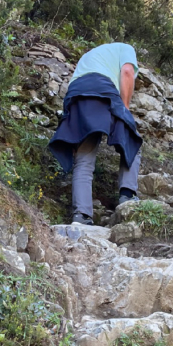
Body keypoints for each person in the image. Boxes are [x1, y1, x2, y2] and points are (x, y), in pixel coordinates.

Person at [48, 42, 142, 225]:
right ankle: (127, 196)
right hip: (102, 88)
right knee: (131, 139)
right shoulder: (127, 49)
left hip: (76, 94)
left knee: (84, 155)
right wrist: (125, 109)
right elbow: (128, 72)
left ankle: (81, 216)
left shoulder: (91, 55)